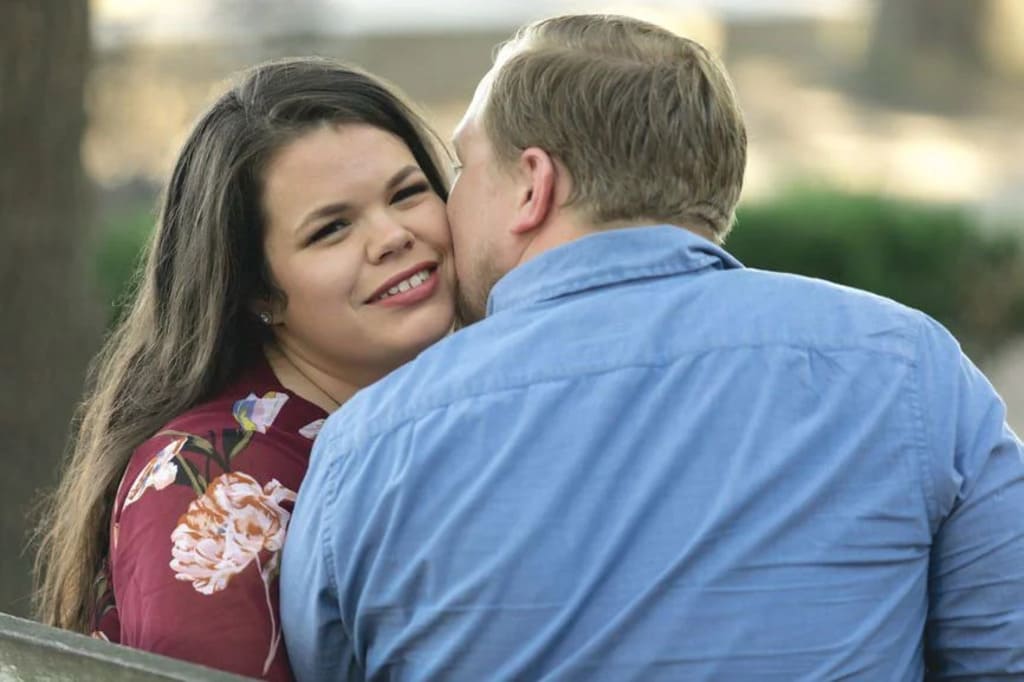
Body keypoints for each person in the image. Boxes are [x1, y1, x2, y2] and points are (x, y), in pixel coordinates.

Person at [280, 14, 1024, 681]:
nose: (447, 203)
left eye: (465, 166)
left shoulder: (368, 449)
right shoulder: (910, 368)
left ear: (532, 187)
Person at [32, 57, 456, 681]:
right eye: (331, 229)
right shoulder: (208, 487)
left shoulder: (439, 419)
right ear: (260, 293)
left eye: (407, 193)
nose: (392, 235)